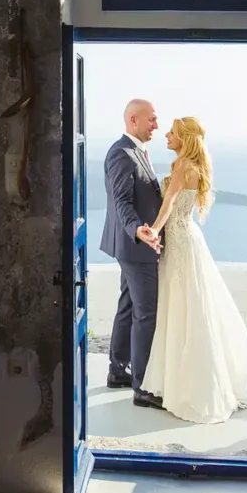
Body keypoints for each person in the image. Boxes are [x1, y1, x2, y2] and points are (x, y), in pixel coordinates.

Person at [139, 116, 247, 424]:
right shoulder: (195, 166)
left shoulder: (182, 166)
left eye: (172, 132)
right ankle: (186, 382)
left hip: (180, 242)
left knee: (181, 308)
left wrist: (153, 231)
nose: (166, 135)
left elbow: (168, 204)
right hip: (188, 238)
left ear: (184, 138)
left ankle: (186, 388)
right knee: (191, 306)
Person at [99, 99, 165, 408]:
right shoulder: (122, 153)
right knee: (146, 313)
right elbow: (121, 201)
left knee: (128, 306)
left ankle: (118, 370)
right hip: (136, 247)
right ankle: (143, 387)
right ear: (133, 119)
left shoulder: (136, 151)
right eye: (152, 119)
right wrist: (138, 229)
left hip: (131, 246)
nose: (156, 125)